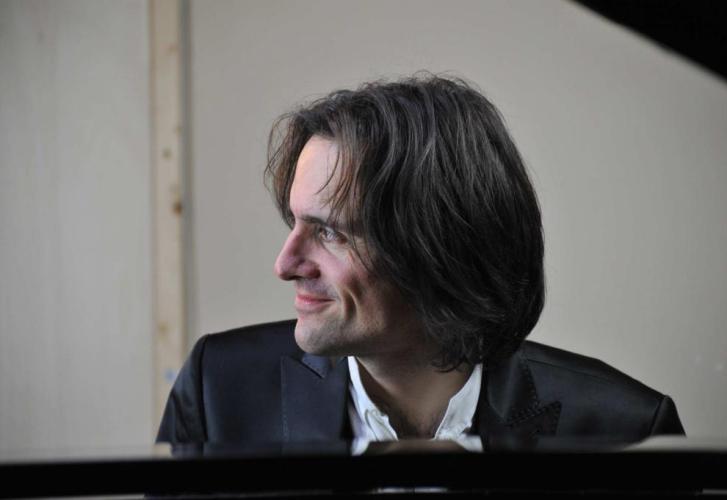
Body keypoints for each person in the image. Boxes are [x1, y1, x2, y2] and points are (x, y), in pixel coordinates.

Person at [156, 74, 684, 445]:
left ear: (441, 249)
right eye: (293, 222)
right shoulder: (216, 391)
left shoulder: (628, 430)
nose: (286, 263)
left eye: (331, 232)